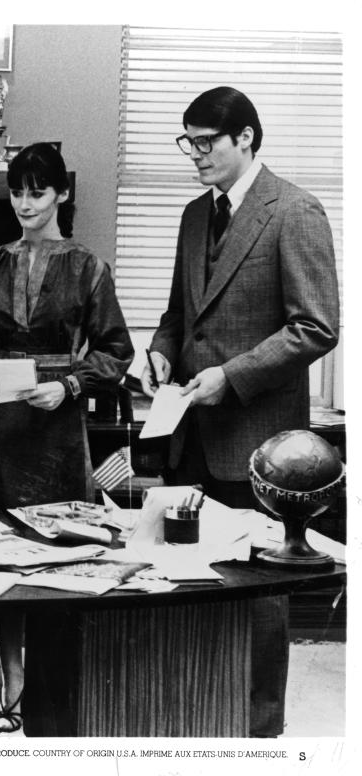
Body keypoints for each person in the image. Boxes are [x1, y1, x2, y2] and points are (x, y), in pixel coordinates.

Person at [139, 86, 339, 737]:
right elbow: (178, 317)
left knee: (255, 590)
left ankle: (259, 733)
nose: (194, 154)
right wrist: (160, 356)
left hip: (258, 441)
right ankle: (191, 719)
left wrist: (233, 376)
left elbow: (316, 327)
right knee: (185, 581)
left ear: (245, 138)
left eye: (206, 142)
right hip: (187, 437)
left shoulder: (295, 211)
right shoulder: (195, 215)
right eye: (187, 142)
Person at [0, 142, 133, 733]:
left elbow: (116, 352)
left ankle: (56, 685)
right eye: (17, 191)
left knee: (62, 551)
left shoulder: (88, 267)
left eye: (38, 191)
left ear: (61, 194)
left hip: (58, 425)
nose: (25, 203)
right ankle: (14, 684)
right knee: (4, 554)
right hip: (0, 424)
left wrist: (71, 387)